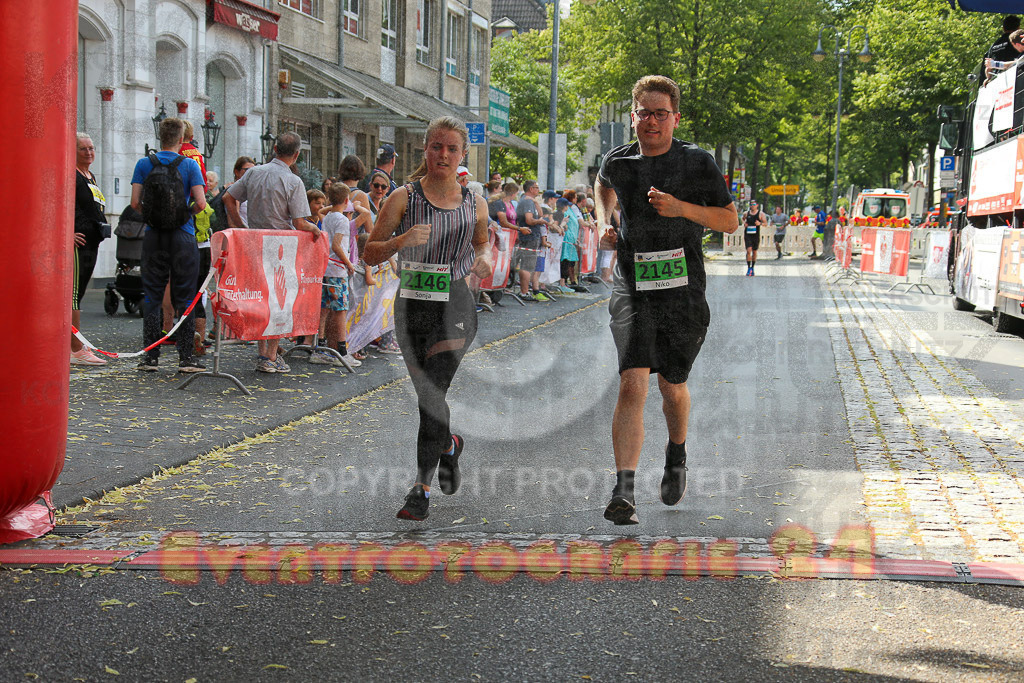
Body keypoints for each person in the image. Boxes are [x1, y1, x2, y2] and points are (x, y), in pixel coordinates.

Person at [593, 75, 737, 525]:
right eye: (643, 112)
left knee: (671, 385)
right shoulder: (619, 160)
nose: (651, 121)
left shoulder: (696, 163)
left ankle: (677, 454)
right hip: (632, 284)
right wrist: (603, 220)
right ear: (632, 116)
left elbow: (730, 221)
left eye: (661, 113)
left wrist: (682, 209)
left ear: (675, 117)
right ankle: (624, 490)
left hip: (682, 290)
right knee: (632, 381)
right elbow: (603, 185)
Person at [363, 116, 493, 521]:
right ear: (425, 149)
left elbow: (483, 242)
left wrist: (484, 261)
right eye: (437, 146)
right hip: (412, 307)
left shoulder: (475, 200)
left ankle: (419, 488)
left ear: (462, 155)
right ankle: (449, 444)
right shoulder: (403, 197)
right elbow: (370, 252)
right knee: (426, 396)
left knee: (433, 394)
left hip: (454, 306)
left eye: (452, 149)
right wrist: (402, 240)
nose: (444, 155)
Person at [222, 132, 320, 374]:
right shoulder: (293, 181)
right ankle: (271, 356)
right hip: (281, 246)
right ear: (296, 155)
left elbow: (227, 197)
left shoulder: (254, 172)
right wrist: (314, 227)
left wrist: (240, 228)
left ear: (274, 148)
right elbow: (299, 221)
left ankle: (262, 353)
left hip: (254, 241)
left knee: (260, 299)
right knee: (280, 301)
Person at [130, 117, 208, 373]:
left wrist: (153, 216)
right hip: (183, 237)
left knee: (153, 295)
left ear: (159, 136)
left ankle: (150, 357)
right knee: (185, 297)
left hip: (154, 236)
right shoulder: (189, 165)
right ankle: (186, 358)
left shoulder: (144, 164)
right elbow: (201, 203)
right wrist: (183, 214)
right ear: (182, 137)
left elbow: (134, 203)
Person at [71, 132, 108, 366]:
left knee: (80, 293)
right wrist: (66, 233)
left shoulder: (89, 175)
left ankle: (74, 341)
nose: (89, 152)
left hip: (92, 241)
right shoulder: (72, 175)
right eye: (83, 149)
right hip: (78, 242)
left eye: (91, 148)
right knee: (73, 296)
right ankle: (75, 348)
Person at [312, 183, 358, 367]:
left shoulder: (328, 216)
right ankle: (341, 351)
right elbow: (337, 245)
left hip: (326, 267)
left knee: (324, 309)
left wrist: (334, 202)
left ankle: (320, 347)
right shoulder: (342, 220)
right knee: (340, 310)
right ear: (347, 201)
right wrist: (348, 263)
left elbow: (322, 211)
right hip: (337, 270)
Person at [514, 180, 549, 301]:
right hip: (529, 236)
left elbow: (540, 215)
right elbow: (529, 220)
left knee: (529, 265)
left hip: (532, 237)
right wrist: (540, 222)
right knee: (527, 265)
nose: (538, 190)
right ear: (530, 189)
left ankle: (525, 291)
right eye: (536, 187)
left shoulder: (531, 201)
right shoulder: (527, 202)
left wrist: (536, 203)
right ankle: (524, 292)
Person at [742, 200, 765, 276]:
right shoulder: (746, 213)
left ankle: (753, 267)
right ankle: (748, 268)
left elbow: (765, 223)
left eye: (754, 204)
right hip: (748, 234)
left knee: (754, 251)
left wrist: (760, 223)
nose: (752, 206)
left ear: (757, 205)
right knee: (749, 250)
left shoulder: (760, 214)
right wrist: (744, 223)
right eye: (751, 204)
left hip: (755, 235)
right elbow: (742, 219)